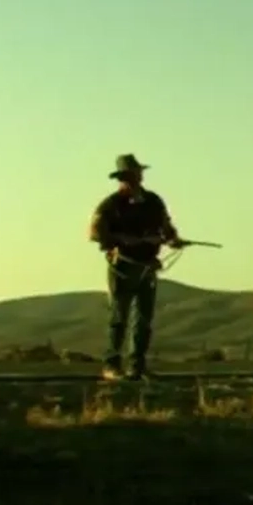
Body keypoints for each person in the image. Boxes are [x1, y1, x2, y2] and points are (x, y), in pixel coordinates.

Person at [87, 154, 183, 381]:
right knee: (119, 316)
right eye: (129, 175)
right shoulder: (111, 204)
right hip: (122, 266)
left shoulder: (153, 201)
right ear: (122, 178)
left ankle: (137, 367)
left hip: (147, 266)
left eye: (136, 174)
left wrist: (173, 239)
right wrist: (124, 240)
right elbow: (95, 233)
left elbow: (166, 227)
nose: (134, 178)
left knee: (143, 318)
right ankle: (111, 365)